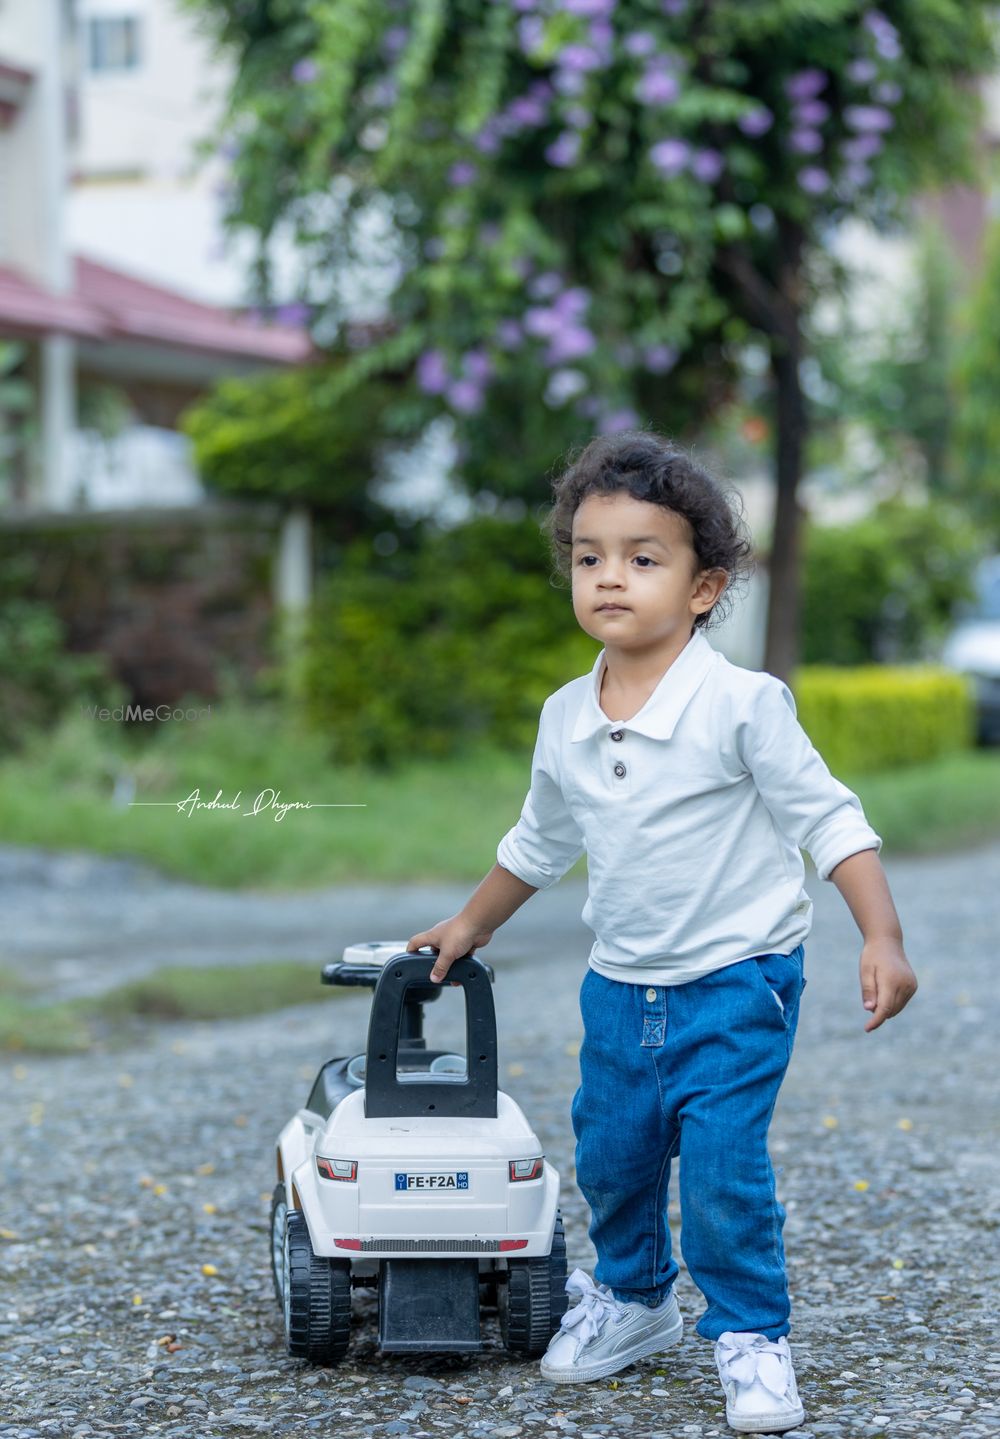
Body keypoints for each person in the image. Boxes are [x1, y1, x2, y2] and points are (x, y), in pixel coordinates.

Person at [407, 430, 917, 1434]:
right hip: (619, 982)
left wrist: (881, 933)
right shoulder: (565, 715)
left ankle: (750, 1332)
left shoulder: (741, 704)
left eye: (643, 557)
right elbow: (538, 843)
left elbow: (827, 817)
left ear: (701, 586)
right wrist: (466, 924)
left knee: (723, 1164)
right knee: (615, 1152)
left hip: (738, 978)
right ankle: (634, 1299)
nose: (609, 576)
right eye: (589, 555)